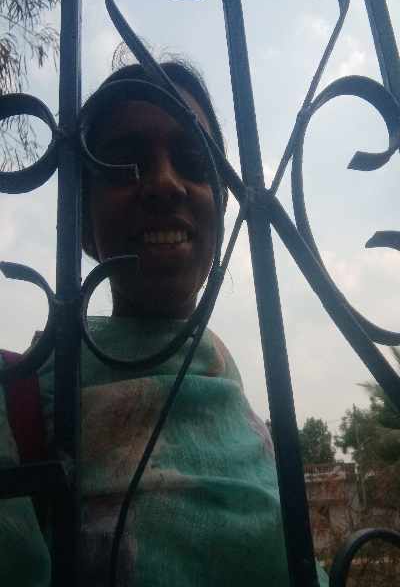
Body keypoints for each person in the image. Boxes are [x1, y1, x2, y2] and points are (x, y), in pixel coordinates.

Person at [0, 60, 327, 586]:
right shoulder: (21, 405)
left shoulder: (241, 414)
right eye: (123, 163)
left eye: (194, 162)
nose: (165, 183)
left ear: (221, 208)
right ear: (82, 224)